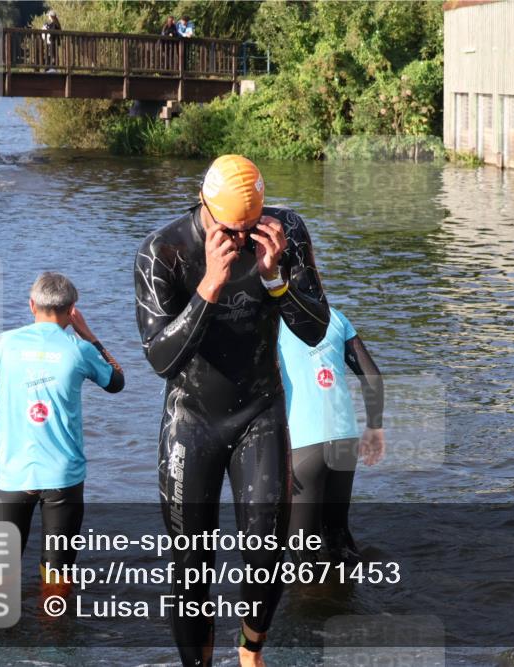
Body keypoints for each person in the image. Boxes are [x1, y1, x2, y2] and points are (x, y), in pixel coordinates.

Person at [134, 155, 329, 667]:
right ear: (205, 208)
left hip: (259, 411)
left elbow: (315, 330)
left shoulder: (283, 231)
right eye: (230, 230)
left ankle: (249, 650)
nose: (242, 240)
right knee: (191, 565)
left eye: (249, 228)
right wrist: (210, 287)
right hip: (191, 420)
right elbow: (160, 358)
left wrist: (274, 281)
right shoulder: (164, 252)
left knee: (267, 551)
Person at [0, 272, 124, 592]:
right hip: (63, 476)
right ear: (71, 310)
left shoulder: (3, 344)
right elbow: (117, 382)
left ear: (31, 305)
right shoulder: (81, 350)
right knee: (57, 571)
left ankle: (1, 633)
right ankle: (54, 636)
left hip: (14, 474)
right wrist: (89, 335)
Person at [278, 306, 385, 566]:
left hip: (302, 443)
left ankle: (316, 602)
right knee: (338, 536)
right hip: (344, 439)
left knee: (303, 552)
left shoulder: (269, 320)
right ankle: (357, 596)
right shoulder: (334, 315)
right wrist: (374, 427)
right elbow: (371, 377)